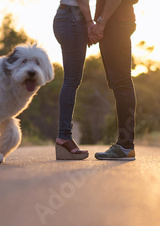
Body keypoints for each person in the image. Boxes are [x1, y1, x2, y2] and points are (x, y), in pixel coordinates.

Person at [90, 0, 137, 161]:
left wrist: (101, 22)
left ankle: (125, 145)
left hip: (116, 22)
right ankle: (125, 145)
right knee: (119, 83)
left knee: (122, 83)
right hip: (116, 22)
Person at [53, 0, 95, 160]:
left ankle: (64, 136)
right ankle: (64, 136)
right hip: (73, 18)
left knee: (72, 80)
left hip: (68, 17)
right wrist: (90, 23)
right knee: (71, 80)